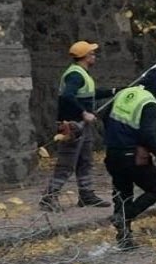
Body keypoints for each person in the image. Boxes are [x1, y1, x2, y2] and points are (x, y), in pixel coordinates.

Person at [39, 40, 117, 212]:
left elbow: (91, 93)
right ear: (85, 56)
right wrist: (84, 113)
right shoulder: (75, 75)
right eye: (92, 53)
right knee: (66, 163)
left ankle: (86, 195)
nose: (94, 56)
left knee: (85, 161)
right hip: (72, 126)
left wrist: (115, 91)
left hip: (81, 126)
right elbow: (67, 96)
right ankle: (48, 197)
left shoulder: (82, 74)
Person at [103, 68, 156, 251]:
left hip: (113, 154)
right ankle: (124, 217)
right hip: (132, 156)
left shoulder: (125, 93)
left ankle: (124, 239)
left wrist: (114, 139)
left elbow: (105, 116)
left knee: (122, 195)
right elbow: (147, 133)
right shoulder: (150, 103)